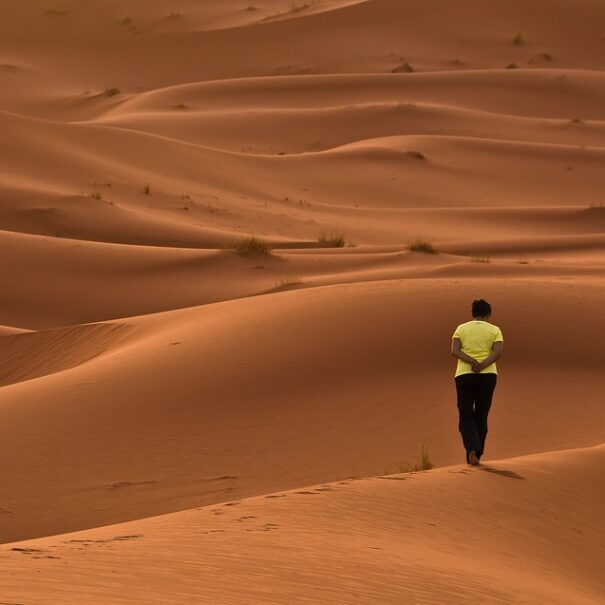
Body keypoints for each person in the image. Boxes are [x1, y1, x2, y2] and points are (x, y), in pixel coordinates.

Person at [451, 299, 503, 466]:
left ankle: (471, 449)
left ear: (472, 313)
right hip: (487, 375)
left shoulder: (461, 328)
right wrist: (482, 365)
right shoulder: (495, 330)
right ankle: (477, 453)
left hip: (464, 374)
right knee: (482, 413)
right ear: (488, 314)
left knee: (465, 415)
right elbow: (497, 353)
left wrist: (472, 362)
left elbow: (455, 351)